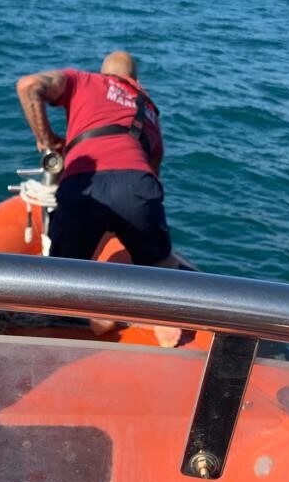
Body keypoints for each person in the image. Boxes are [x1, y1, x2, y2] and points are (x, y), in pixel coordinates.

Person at [15, 52, 182, 344]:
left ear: (104, 72)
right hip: (136, 182)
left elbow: (29, 85)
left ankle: (95, 314)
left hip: (82, 185)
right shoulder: (149, 110)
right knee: (159, 260)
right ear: (137, 81)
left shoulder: (85, 80)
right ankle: (166, 324)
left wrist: (46, 139)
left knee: (62, 274)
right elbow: (154, 172)